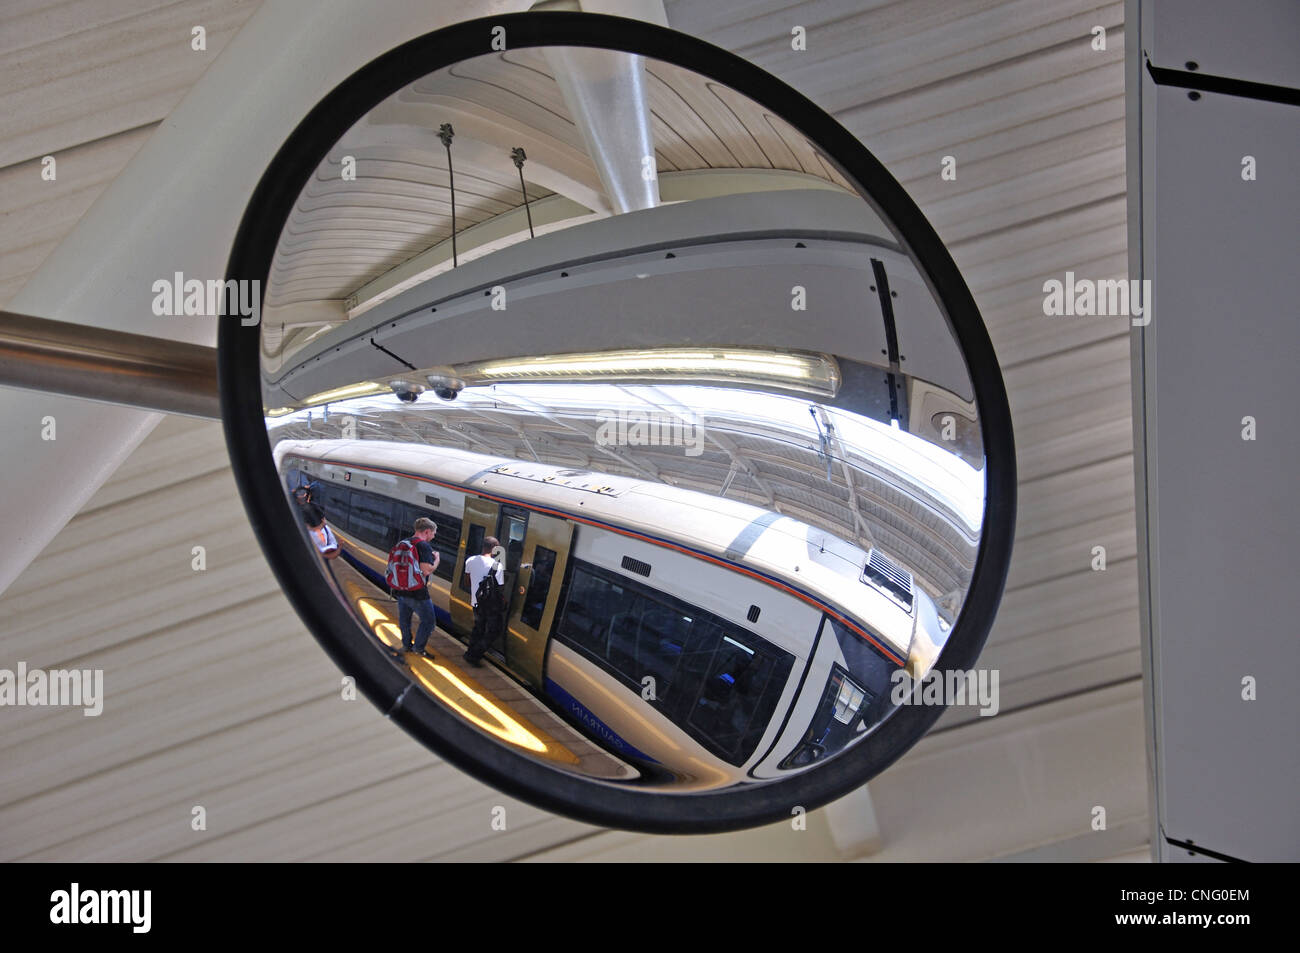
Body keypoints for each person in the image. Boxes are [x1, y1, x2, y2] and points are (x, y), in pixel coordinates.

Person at [385, 517, 440, 659]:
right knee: (428, 621)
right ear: (427, 531)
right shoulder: (424, 546)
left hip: (401, 589)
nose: (434, 536)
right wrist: (437, 560)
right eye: (433, 533)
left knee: (405, 620)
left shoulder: (404, 542)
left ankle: (406, 645)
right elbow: (426, 570)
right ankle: (419, 648)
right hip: (418, 592)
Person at [462, 537, 505, 667]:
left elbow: (467, 582)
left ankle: (470, 652)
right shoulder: (497, 565)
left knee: (478, 628)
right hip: (491, 605)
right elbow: (500, 587)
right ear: (494, 549)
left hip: (476, 601)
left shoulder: (470, 560)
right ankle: (474, 654)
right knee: (493, 631)